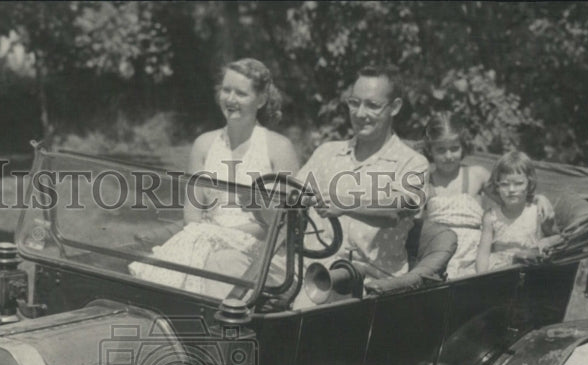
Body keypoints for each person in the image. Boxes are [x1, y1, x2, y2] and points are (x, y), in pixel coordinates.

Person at [129, 58, 299, 296]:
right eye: (226, 90)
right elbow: (192, 214)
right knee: (163, 276)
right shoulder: (204, 145)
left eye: (241, 93)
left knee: (216, 263)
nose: (230, 99)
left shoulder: (278, 148)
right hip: (203, 238)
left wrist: (222, 233)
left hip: (260, 251)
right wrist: (209, 234)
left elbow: (282, 224)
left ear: (260, 100)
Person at [296, 66, 429, 278]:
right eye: (354, 103)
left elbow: (394, 211)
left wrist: (345, 204)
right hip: (305, 268)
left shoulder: (413, 163)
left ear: (394, 107)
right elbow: (291, 197)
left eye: (372, 105)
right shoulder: (325, 153)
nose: (360, 114)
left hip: (368, 280)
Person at [422, 112, 490, 278]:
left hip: (474, 257)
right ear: (430, 150)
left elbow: (511, 195)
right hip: (438, 257)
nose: (448, 156)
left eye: (454, 149)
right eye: (441, 150)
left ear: (463, 146)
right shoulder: (425, 181)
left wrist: (537, 198)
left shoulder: (476, 175)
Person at [476, 151, 556, 273]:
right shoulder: (491, 217)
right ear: (497, 186)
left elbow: (553, 239)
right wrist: (481, 279)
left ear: (529, 184)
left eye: (518, 184)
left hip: (531, 269)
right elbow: (483, 254)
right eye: (504, 184)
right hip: (499, 272)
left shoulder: (537, 211)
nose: (511, 190)